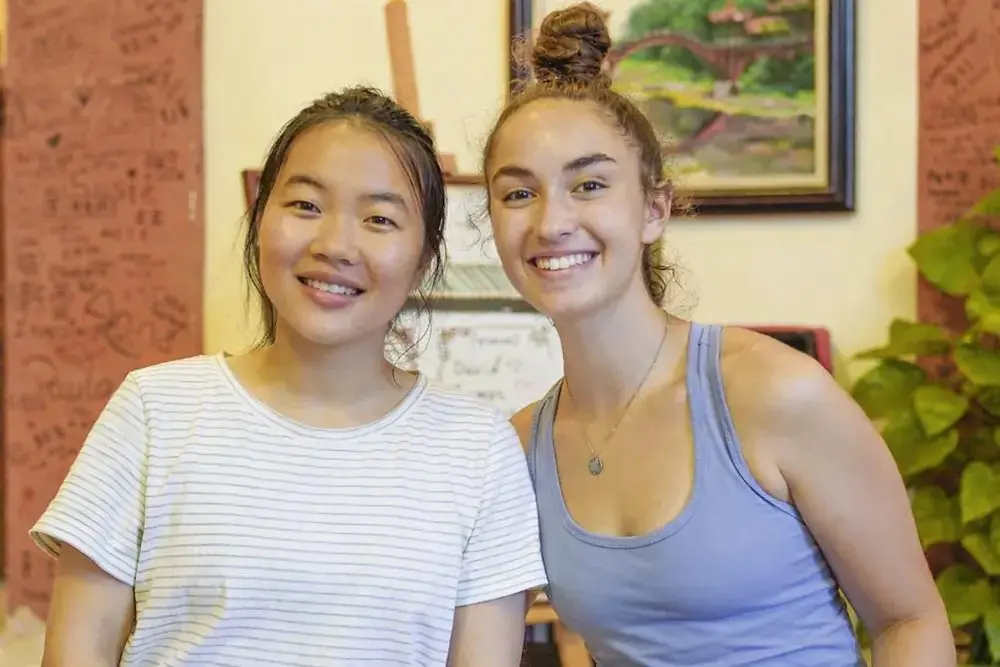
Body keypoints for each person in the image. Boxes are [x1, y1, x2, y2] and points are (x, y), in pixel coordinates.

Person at [481, 4, 954, 666]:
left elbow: (910, 620)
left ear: (654, 209)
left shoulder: (774, 395)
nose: (552, 220)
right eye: (517, 193)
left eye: (588, 184)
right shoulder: (521, 445)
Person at [32, 86, 547, 667]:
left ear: (424, 258)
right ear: (259, 220)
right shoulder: (154, 410)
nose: (334, 245)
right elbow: (78, 653)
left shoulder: (477, 451)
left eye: (379, 218)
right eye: (305, 206)